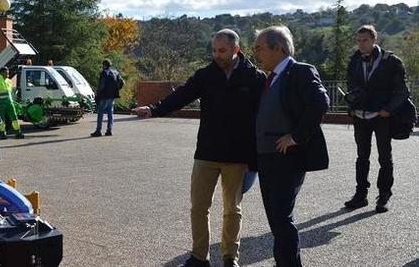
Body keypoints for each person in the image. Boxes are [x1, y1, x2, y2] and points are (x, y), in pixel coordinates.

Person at [132, 29, 264, 267]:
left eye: (222, 50)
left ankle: (230, 257)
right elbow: (182, 95)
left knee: (232, 209)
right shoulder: (206, 75)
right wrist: (154, 109)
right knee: (199, 207)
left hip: (238, 155)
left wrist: (257, 156)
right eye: (213, 50)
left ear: (237, 49)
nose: (216, 55)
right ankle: (198, 257)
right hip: (207, 152)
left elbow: (265, 116)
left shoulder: (255, 77)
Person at [252, 26, 329, 267]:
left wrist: (295, 137)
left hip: (287, 158)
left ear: (279, 49)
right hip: (265, 157)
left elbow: (320, 103)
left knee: (282, 218)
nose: (256, 54)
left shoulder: (300, 72)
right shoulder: (268, 78)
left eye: (259, 48)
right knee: (276, 220)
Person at [343, 25, 409, 213]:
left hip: (382, 116)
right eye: (358, 40)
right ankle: (360, 194)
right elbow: (351, 86)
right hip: (361, 116)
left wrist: (388, 110)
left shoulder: (391, 61)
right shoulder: (355, 59)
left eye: (365, 40)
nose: (361, 44)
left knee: (384, 157)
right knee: (362, 156)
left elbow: (402, 91)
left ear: (374, 40)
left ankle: (384, 195)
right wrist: (351, 108)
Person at [0, 67, 24, 139]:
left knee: (14, 117)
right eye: (6, 72)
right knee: (2, 119)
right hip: (1, 104)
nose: (8, 74)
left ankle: (18, 132)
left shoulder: (9, 81)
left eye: (8, 72)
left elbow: (10, 93)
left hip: (9, 103)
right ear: (1, 73)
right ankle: (3, 133)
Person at [92, 59, 124, 137]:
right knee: (110, 113)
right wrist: (116, 89)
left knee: (100, 113)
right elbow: (122, 82)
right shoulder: (116, 72)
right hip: (112, 96)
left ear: (105, 65)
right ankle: (109, 130)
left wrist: (97, 95)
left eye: (103, 65)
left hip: (104, 96)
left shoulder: (103, 73)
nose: (102, 67)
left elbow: (101, 86)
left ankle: (98, 131)